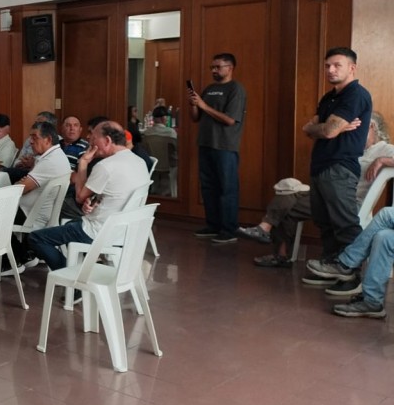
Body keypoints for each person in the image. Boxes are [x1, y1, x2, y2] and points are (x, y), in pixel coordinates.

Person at [248, 114, 394, 273]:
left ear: (372, 127)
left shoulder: (384, 149)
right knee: (286, 195)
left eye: (358, 127)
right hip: (328, 194)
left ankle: (268, 236)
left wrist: (382, 161)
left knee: (287, 202)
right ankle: (278, 249)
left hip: (348, 202)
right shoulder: (352, 147)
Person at [28, 121, 150, 271]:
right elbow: (116, 194)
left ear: (107, 141)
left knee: (36, 238)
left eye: (93, 139)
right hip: (124, 231)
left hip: (99, 232)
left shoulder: (106, 166)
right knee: (69, 226)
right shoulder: (140, 162)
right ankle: (80, 267)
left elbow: (79, 197)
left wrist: (84, 162)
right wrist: (94, 202)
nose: (90, 143)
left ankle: (69, 275)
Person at [301, 46, 373, 283]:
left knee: (344, 224)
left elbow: (329, 130)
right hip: (320, 165)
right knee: (325, 223)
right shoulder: (328, 96)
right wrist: (318, 128)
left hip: (340, 167)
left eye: (337, 65)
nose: (330, 70)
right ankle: (329, 268)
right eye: (327, 65)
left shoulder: (356, 94)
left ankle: (353, 277)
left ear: (352, 68)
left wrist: (323, 128)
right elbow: (309, 127)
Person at [189, 52, 247, 244]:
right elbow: (195, 118)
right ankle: (213, 225)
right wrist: (195, 104)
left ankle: (229, 229)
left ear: (230, 68)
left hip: (225, 146)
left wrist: (204, 105)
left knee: (227, 188)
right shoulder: (209, 88)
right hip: (205, 143)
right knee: (208, 187)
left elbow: (230, 120)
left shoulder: (236, 89)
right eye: (212, 67)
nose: (214, 70)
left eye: (218, 67)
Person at [7, 120, 71, 272]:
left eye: (34, 137)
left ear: (48, 139)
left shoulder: (50, 161)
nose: (30, 141)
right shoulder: (57, 155)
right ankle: (26, 252)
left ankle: (13, 258)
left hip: (32, 214)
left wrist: (20, 184)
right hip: (40, 210)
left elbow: (20, 189)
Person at [6, 111, 57, 182]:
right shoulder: (29, 140)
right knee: (4, 173)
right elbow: (18, 159)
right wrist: (21, 164)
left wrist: (33, 164)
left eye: (39, 123)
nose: (31, 141)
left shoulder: (56, 142)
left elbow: (47, 165)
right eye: (35, 123)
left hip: (36, 173)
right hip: (21, 169)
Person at [143, 107, 178, 196]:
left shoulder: (146, 133)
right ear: (164, 118)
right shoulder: (171, 133)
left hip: (153, 166)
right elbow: (177, 149)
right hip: (169, 166)